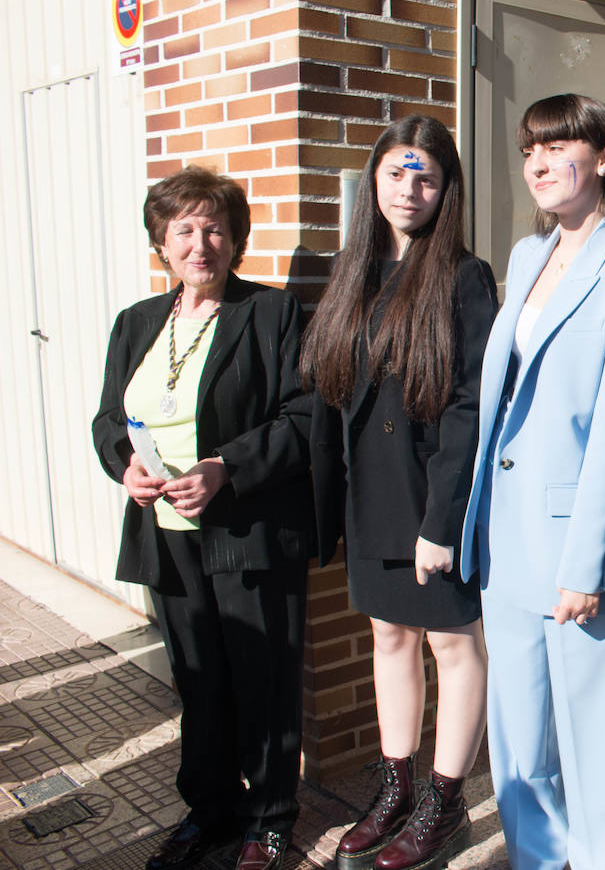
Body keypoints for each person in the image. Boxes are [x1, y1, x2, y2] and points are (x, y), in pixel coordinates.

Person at [458, 93, 605, 870]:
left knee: (599, 741)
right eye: (528, 150)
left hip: (576, 542)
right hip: (505, 536)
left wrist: (586, 564)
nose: (538, 163)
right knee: (518, 740)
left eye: (557, 146)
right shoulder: (525, 254)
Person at [92, 166, 312, 870]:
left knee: (264, 681)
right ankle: (211, 808)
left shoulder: (273, 315)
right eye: (183, 228)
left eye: (215, 227)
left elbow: (304, 417)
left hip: (247, 535)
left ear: (236, 237)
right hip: (168, 543)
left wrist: (226, 468)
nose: (200, 242)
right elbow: (107, 419)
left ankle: (272, 818)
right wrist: (123, 461)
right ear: (162, 241)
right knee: (199, 681)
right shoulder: (136, 324)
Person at [299, 115, 496, 870]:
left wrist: (441, 521)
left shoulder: (463, 276)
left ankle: (446, 803)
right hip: (370, 494)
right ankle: (396, 788)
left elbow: (470, 407)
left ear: (446, 189)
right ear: (372, 183)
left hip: (429, 497)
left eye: (426, 177)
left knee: (452, 641)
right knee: (388, 637)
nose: (409, 189)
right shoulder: (353, 271)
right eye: (396, 174)